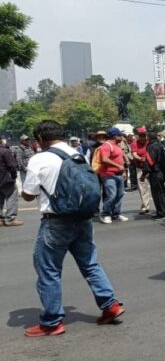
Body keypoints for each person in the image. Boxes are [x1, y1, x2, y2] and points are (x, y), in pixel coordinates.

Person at [21, 120, 124, 337]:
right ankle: (110, 305)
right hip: (83, 218)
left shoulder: (40, 158)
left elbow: (28, 194)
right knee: (90, 264)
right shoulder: (77, 153)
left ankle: (51, 321)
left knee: (48, 270)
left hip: (56, 221)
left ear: (40, 139)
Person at [98, 128, 128, 224]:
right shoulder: (106, 146)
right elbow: (104, 159)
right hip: (109, 175)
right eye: (120, 135)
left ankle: (116, 214)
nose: (122, 137)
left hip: (119, 174)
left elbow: (120, 159)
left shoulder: (117, 146)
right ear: (115, 136)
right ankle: (105, 214)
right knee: (111, 195)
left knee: (119, 195)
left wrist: (123, 171)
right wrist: (117, 166)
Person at [144, 131, 165, 220]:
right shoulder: (160, 145)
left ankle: (162, 213)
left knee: (157, 194)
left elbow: (150, 161)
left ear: (149, 137)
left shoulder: (151, 147)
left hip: (155, 173)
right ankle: (163, 211)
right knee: (162, 193)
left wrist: (144, 174)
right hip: (162, 172)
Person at [1, 134, 22, 226]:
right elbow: (12, 166)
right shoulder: (5, 151)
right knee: (11, 197)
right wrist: (14, 176)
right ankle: (10, 218)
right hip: (6, 179)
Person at [131, 127, 152, 214]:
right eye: (141, 136)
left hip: (151, 168)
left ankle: (160, 206)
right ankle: (145, 206)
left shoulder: (149, 143)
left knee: (154, 188)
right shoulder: (134, 143)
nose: (143, 137)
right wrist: (140, 158)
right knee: (142, 188)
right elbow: (134, 154)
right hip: (140, 168)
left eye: (144, 135)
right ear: (138, 136)